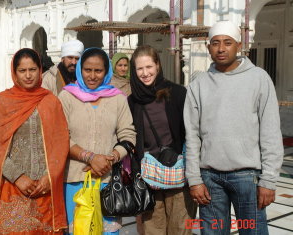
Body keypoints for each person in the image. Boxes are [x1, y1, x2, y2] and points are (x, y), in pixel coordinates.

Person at [184, 21, 284, 234]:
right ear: (208, 46)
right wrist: (194, 179)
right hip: (209, 179)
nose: (221, 49)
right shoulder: (198, 85)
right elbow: (192, 136)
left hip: (248, 178)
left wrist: (269, 180)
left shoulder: (258, 78)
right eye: (215, 43)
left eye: (227, 43)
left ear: (238, 45)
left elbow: (270, 133)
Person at [0, 48, 69, 234]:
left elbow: (61, 142)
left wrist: (50, 175)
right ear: (14, 73)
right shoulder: (2, 102)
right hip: (11, 187)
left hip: (45, 189)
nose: (28, 75)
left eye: (33, 69)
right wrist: (17, 177)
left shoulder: (51, 101)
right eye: (22, 71)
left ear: (40, 70)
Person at [58, 47, 136, 235]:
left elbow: (128, 134)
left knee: (108, 232)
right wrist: (90, 157)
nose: (92, 76)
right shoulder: (67, 97)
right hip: (74, 180)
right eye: (87, 70)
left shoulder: (117, 99)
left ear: (106, 71)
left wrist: (109, 159)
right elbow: (60, 137)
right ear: (80, 70)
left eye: (98, 71)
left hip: (108, 181)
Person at [128, 45, 196, 235]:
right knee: (152, 230)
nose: (145, 73)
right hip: (149, 179)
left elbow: (191, 134)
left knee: (180, 228)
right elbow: (131, 137)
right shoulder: (133, 101)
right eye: (139, 69)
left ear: (157, 65)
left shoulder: (177, 93)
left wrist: (194, 172)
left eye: (149, 67)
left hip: (179, 176)